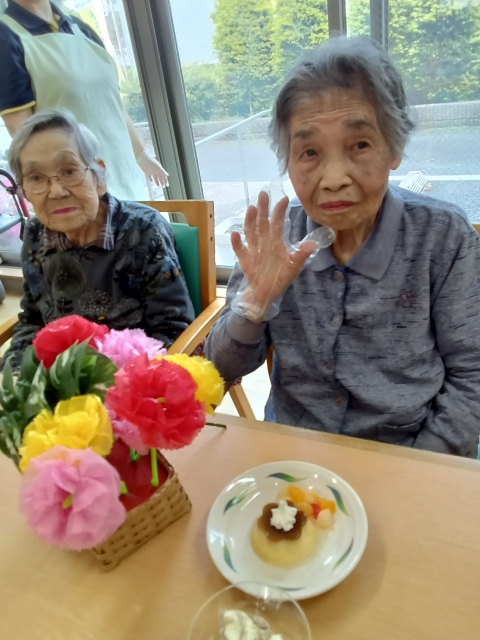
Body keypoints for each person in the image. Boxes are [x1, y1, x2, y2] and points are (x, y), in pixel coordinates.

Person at [205, 37, 480, 458]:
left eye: (360, 145)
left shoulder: (443, 237)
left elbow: (472, 377)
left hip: (407, 452)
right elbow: (220, 370)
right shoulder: (277, 237)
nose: (333, 179)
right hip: (295, 453)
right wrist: (254, 306)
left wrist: (418, 467)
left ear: (394, 148)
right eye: (309, 151)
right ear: (288, 160)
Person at [2, 108, 194, 370]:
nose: (56, 191)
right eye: (36, 178)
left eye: (69, 171)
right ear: (24, 192)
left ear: (99, 177)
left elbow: (172, 331)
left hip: (131, 375)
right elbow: (33, 318)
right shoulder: (35, 233)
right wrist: (16, 377)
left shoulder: (143, 231)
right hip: (59, 378)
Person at [0, 0, 168, 200]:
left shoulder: (81, 29)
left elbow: (113, 105)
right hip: (75, 188)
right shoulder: (5, 37)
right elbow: (22, 131)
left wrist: (142, 156)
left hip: (124, 174)